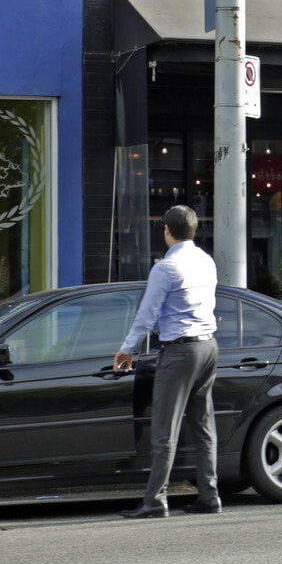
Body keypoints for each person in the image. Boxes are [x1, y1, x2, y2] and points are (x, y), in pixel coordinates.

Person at [115, 205, 220, 520]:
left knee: (164, 429)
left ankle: (155, 501)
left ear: (165, 230)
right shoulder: (206, 260)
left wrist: (127, 349)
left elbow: (146, 315)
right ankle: (210, 495)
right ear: (193, 229)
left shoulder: (166, 268)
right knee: (203, 426)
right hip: (209, 347)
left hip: (180, 351)